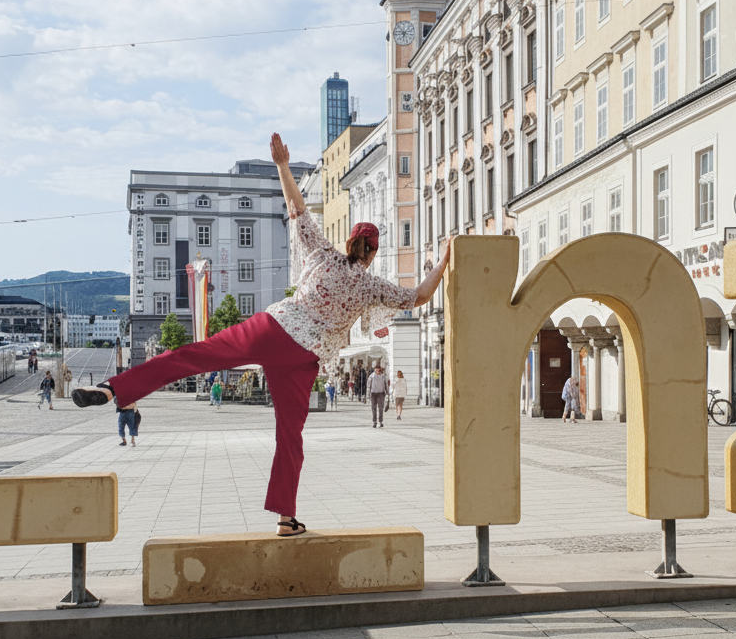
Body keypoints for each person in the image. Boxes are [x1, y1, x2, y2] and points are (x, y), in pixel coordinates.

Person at [71, 133, 454, 537]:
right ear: (373, 252)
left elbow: (297, 208)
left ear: (348, 242)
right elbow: (419, 295)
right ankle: (286, 520)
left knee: (194, 355)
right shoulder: (371, 286)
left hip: (272, 330)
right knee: (290, 437)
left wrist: (282, 165)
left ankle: (115, 390)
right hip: (303, 359)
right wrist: (445, 260)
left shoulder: (322, 253)